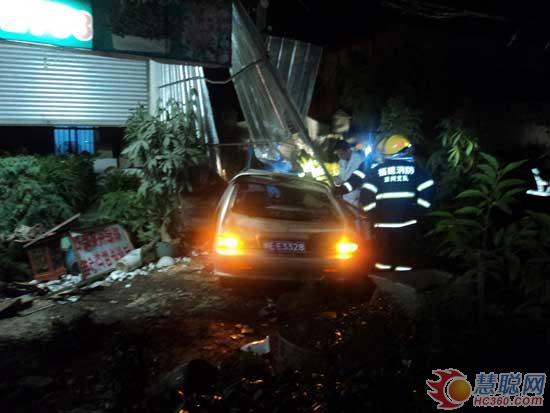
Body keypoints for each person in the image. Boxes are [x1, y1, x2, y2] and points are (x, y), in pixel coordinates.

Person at [334, 134, 435, 271]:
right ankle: (400, 276)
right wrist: (419, 211)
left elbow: (364, 190)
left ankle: (384, 275)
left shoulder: (376, 168)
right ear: (405, 151)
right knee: (403, 252)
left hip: (382, 221)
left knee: (383, 253)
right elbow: (428, 187)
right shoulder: (414, 168)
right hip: (406, 221)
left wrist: (372, 213)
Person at [333, 139, 365, 208]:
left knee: (347, 200)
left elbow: (357, 180)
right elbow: (342, 176)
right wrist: (336, 178)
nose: (340, 157)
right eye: (338, 154)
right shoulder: (342, 161)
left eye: (341, 154)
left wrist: (343, 183)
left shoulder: (359, 159)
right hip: (345, 188)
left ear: (347, 150)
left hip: (356, 190)